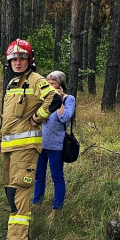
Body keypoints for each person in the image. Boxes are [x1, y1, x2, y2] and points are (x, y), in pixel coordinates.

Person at [0, 39, 59, 240]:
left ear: (30, 60)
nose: (18, 62)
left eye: (22, 58)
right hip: (11, 147)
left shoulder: (35, 79)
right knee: (11, 190)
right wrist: (0, 139)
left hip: (25, 148)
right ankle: (16, 235)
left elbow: (53, 97)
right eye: (14, 59)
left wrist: (39, 117)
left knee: (20, 189)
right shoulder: (13, 83)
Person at [33, 70, 75, 218]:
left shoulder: (68, 99)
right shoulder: (44, 97)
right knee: (38, 175)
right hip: (40, 142)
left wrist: (59, 99)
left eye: (53, 83)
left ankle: (57, 208)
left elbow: (64, 118)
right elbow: (36, 115)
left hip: (56, 145)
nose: (50, 86)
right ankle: (36, 203)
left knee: (57, 176)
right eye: (48, 83)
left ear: (61, 85)